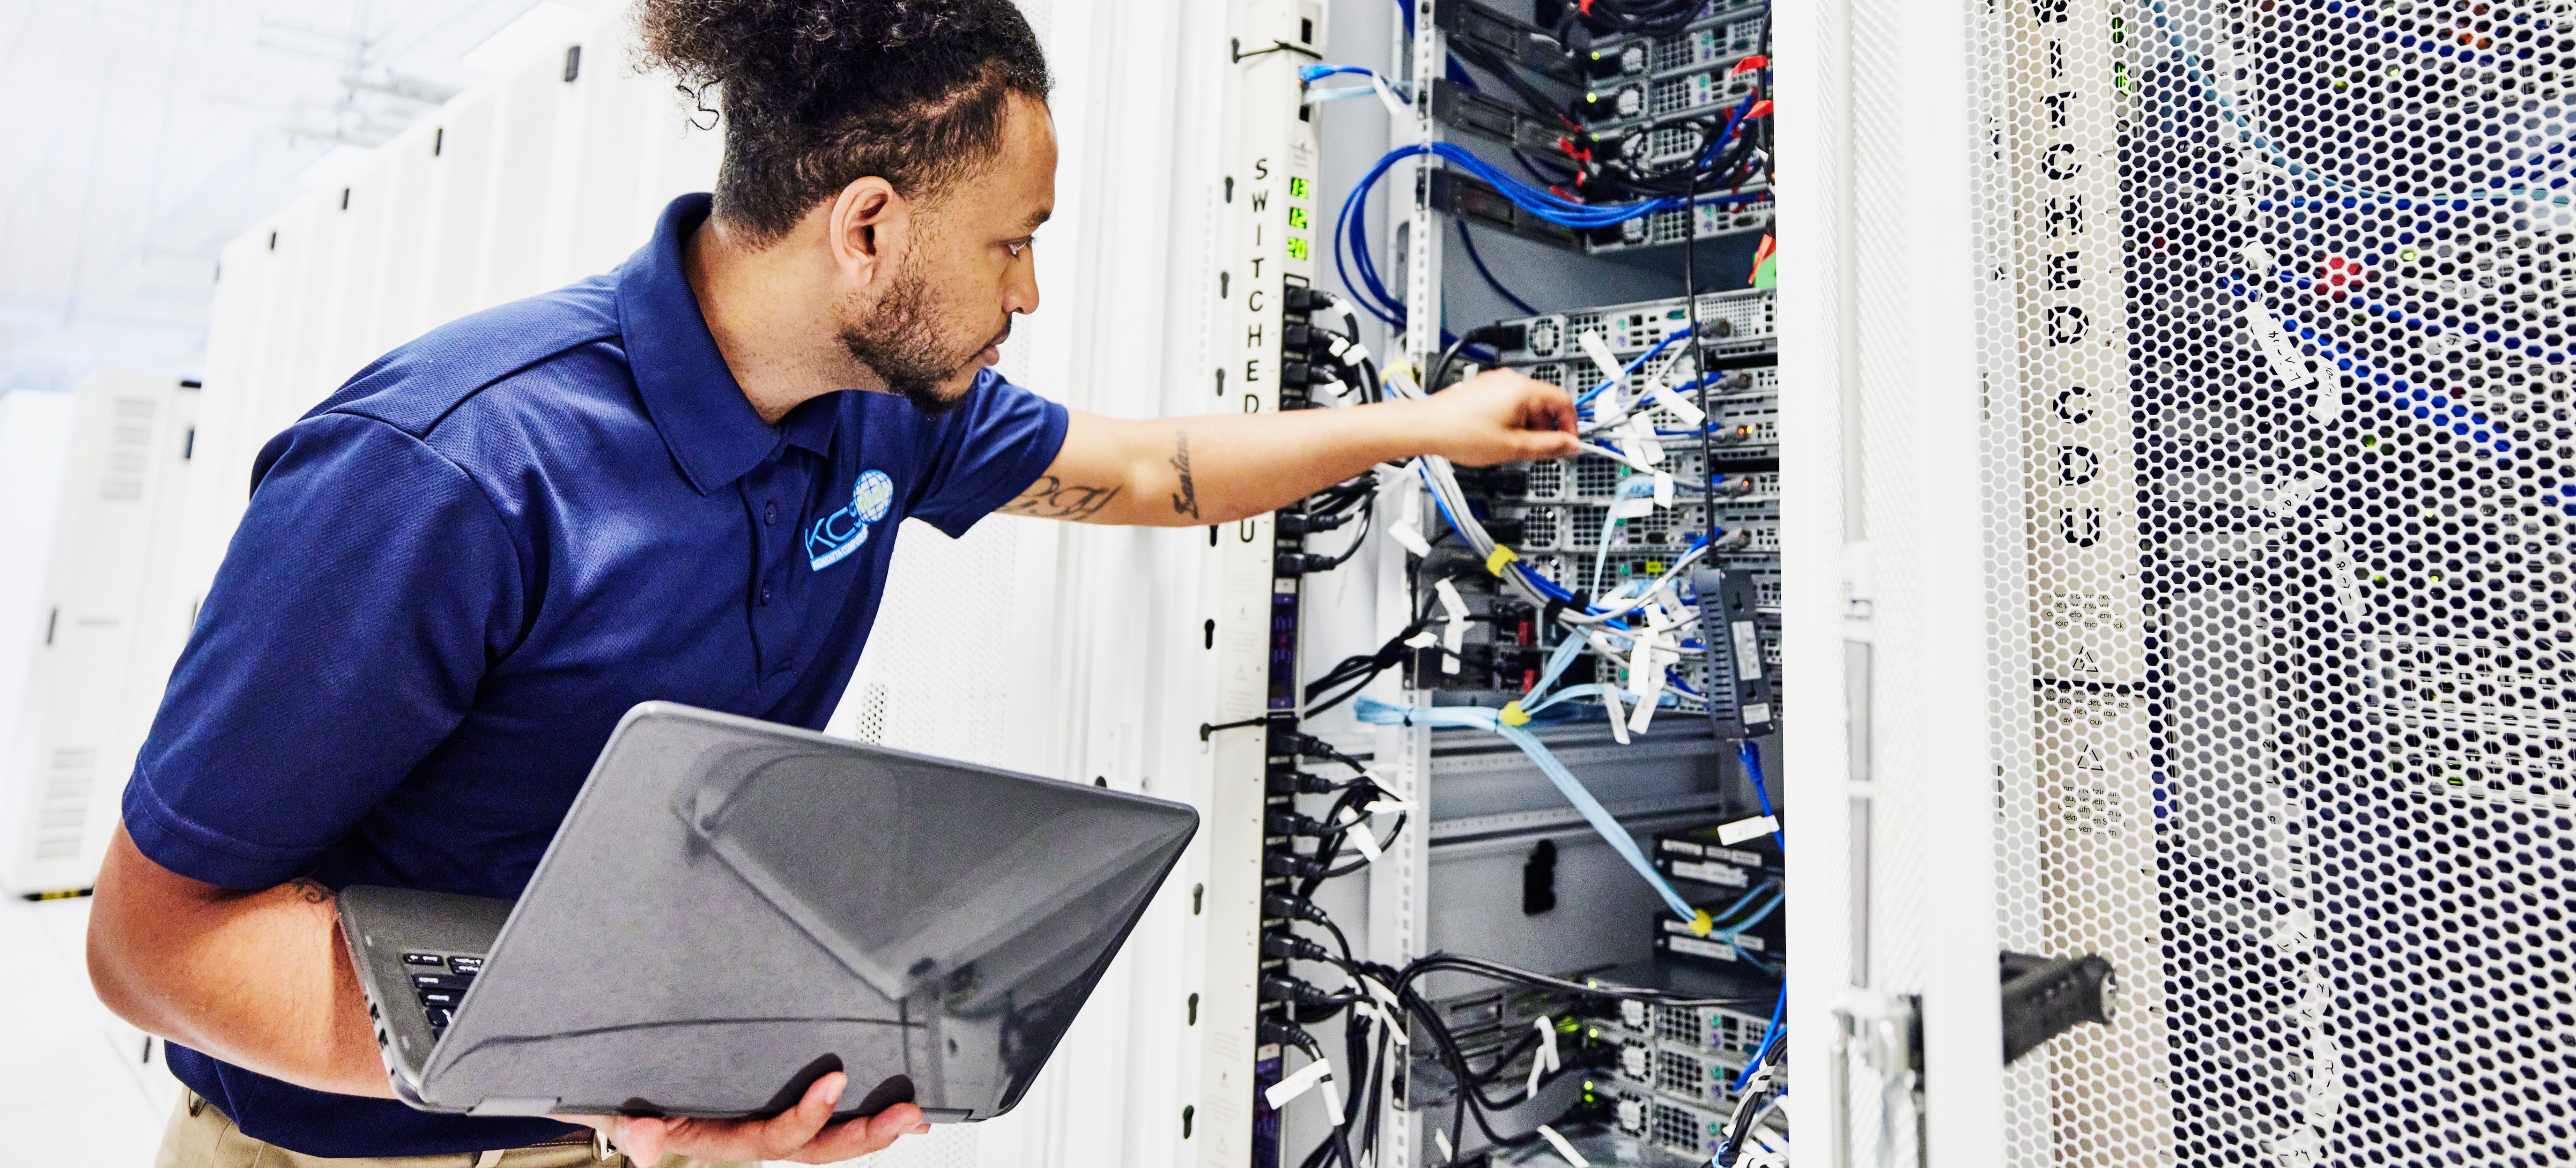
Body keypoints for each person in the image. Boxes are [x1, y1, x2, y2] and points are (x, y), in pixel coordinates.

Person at [84, 0, 1576, 1165]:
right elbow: (152, 942)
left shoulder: (880, 409)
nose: (1028, 294)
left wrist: (1419, 427)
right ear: (866, 228)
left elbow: (1139, 469)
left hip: (640, 1133)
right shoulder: (454, 472)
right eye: (1013, 243)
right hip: (345, 1157)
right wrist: (599, 1080)